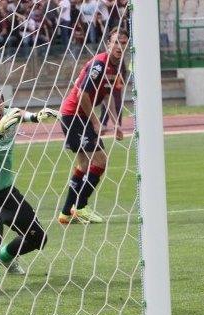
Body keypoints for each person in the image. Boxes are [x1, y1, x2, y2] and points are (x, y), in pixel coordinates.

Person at [0, 85, 59, 294]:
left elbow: (17, 113)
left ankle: (5, 256)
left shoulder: (6, 115)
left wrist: (36, 116)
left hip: (7, 193)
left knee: (38, 238)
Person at [58, 27, 128, 224]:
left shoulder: (119, 67)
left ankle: (65, 214)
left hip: (79, 116)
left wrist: (116, 124)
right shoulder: (99, 64)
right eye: (116, 42)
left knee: (84, 164)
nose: (119, 46)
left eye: (123, 43)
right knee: (100, 161)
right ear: (108, 44)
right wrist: (96, 122)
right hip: (74, 115)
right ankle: (80, 207)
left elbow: (107, 96)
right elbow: (82, 96)